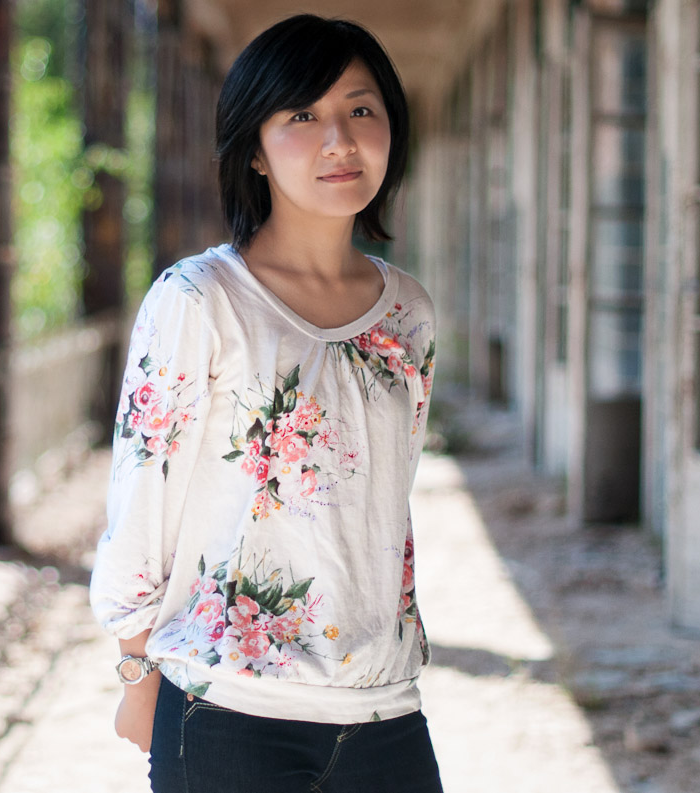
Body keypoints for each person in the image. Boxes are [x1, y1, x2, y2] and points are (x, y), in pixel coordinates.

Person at [88, 13, 443, 792]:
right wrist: (135, 669)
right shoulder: (199, 299)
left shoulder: (407, 312)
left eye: (361, 109)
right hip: (229, 712)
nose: (339, 141)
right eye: (302, 116)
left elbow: (385, 504)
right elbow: (144, 497)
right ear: (253, 147)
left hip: (386, 709)